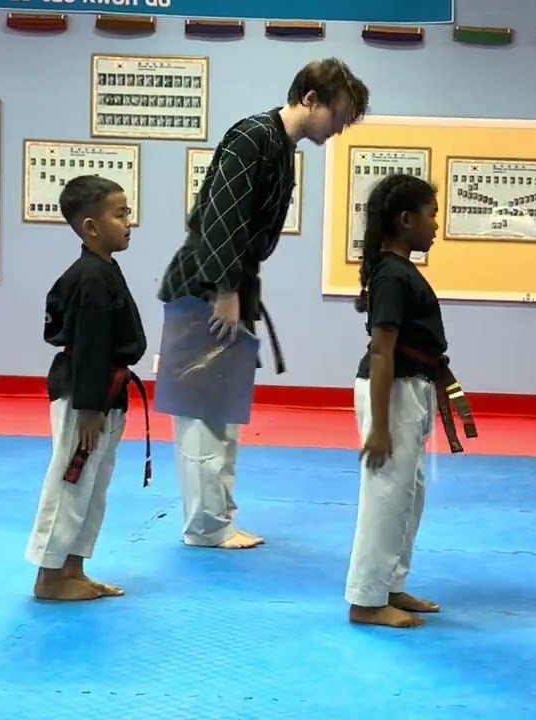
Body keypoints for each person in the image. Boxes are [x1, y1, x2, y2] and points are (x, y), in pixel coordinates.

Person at [157, 58, 370, 550]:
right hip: (206, 288)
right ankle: (206, 527)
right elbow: (217, 217)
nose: (339, 128)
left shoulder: (281, 147)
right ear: (311, 99)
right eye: (338, 114)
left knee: (223, 412)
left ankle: (219, 519)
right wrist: (225, 290)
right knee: (204, 412)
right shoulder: (253, 136)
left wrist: (238, 288)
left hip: (231, 283)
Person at [345, 173, 478, 629]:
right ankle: (366, 599)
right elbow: (382, 350)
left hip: (410, 386)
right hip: (391, 389)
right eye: (432, 215)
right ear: (406, 220)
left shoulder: (400, 271)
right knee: (386, 494)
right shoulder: (391, 274)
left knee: (408, 494)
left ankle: (391, 585)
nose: (437, 225)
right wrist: (379, 426)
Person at [25, 175, 150, 602]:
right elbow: (90, 346)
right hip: (86, 394)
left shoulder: (104, 269)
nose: (129, 221)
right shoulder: (90, 278)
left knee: (93, 485)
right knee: (71, 481)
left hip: (105, 392)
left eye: (128, 212)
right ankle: (49, 575)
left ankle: (74, 567)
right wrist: (90, 407)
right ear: (91, 227)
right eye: (120, 214)